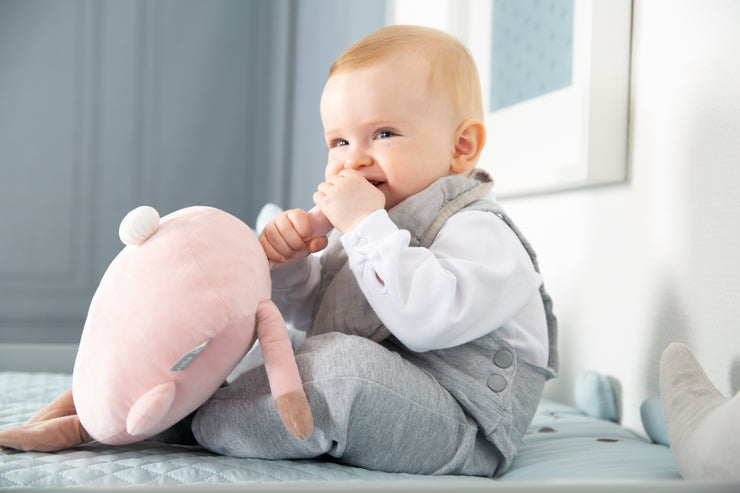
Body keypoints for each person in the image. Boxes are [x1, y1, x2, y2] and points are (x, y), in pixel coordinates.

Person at [192, 25, 558, 478]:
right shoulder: (375, 222)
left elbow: (424, 323)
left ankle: (199, 419)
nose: (353, 161)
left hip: (461, 424)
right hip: (391, 390)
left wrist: (365, 226)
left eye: (383, 133)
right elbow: (322, 314)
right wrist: (291, 267)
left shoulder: (481, 231)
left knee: (341, 373)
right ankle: (189, 389)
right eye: (339, 142)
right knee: (257, 339)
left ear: (461, 148)